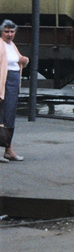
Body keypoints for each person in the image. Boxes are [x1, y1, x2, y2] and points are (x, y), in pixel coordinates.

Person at [1, 20, 29, 162]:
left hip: (13, 81)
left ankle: (8, 149)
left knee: (10, 115)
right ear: (1, 32)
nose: (10, 34)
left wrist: (23, 60)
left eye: (12, 32)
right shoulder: (0, 45)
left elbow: (17, 60)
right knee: (1, 117)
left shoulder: (11, 45)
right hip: (3, 83)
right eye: (7, 31)